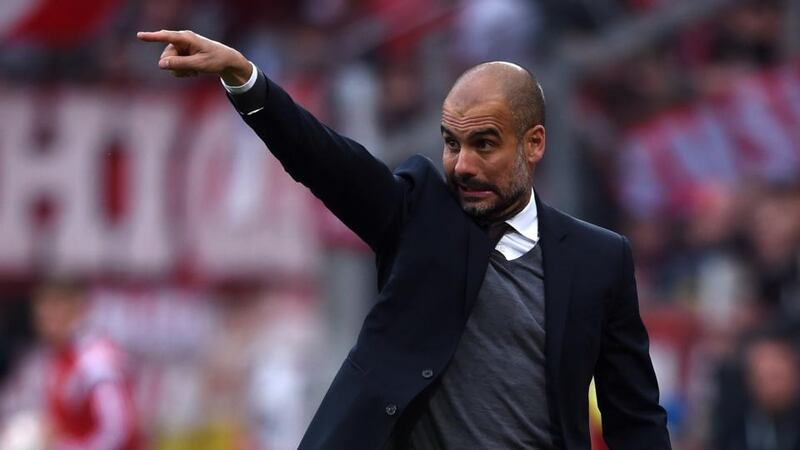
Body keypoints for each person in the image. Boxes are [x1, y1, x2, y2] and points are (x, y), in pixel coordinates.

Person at [137, 29, 671, 450]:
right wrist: (245, 77)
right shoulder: (422, 215)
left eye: (484, 144)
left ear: (534, 145)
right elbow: (326, 161)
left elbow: (636, 419)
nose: (463, 164)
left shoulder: (601, 260)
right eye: (451, 142)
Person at [32, 280, 140, 450]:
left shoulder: (96, 359)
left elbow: (117, 428)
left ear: (79, 308)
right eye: (44, 311)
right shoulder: (59, 357)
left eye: (57, 308)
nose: (48, 320)